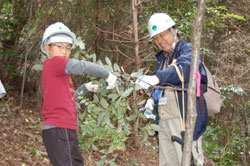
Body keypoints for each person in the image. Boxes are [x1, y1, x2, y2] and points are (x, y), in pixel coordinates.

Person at [40, 22, 117, 166]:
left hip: (64, 129)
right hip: (59, 128)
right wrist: (106, 73)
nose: (64, 51)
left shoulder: (59, 73)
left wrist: (85, 88)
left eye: (68, 48)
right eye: (59, 46)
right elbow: (82, 66)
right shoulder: (53, 63)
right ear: (47, 48)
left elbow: (69, 100)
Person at [136, 13, 208, 166]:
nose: (160, 40)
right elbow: (162, 85)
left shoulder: (188, 50)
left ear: (174, 30)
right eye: (155, 38)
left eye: (163, 34)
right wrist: (152, 99)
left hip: (183, 120)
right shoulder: (163, 57)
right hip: (164, 122)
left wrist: (156, 78)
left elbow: (184, 69)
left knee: (189, 162)